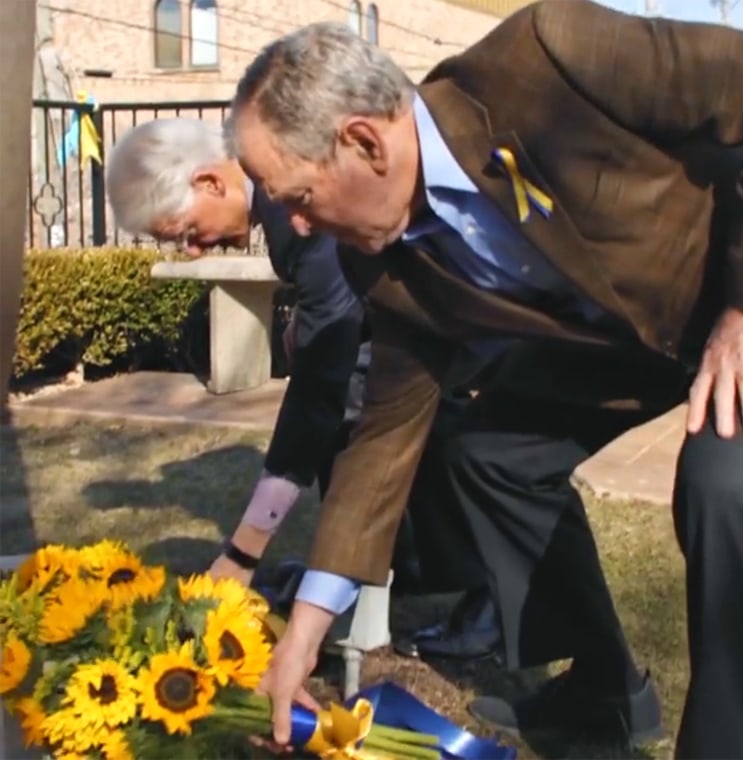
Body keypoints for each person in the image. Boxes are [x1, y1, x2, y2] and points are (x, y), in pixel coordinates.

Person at [229, 2, 743, 757]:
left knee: (731, 485)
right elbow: (383, 438)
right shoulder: (378, 261)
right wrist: (306, 631)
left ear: (363, 142)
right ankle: (606, 690)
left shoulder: (551, 58)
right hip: (632, 344)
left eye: (298, 198)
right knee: (492, 452)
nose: (297, 227)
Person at [105, 118, 501, 659]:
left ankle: (492, 593)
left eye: (184, 232)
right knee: (354, 402)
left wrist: (243, 553)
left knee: (373, 405)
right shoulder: (278, 199)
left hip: (481, 299)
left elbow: (319, 390)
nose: (192, 251)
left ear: (210, 183)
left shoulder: (291, 208)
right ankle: (384, 565)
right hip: (421, 312)